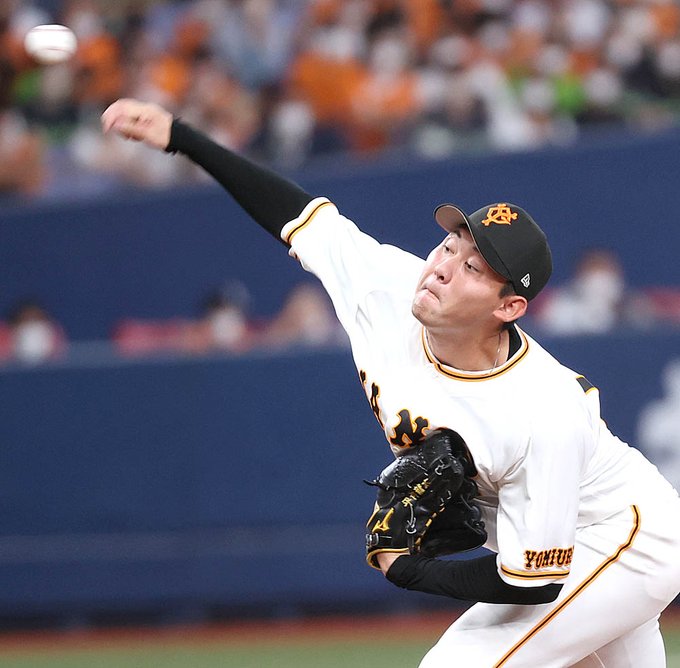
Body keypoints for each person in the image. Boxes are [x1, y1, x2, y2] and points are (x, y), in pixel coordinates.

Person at [101, 98, 680, 668]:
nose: (442, 267)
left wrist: (409, 569)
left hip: (626, 540)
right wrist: (182, 136)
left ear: (509, 307)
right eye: (449, 245)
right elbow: (295, 214)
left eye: (472, 268)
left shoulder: (543, 411)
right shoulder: (387, 287)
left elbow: (533, 584)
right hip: (550, 538)